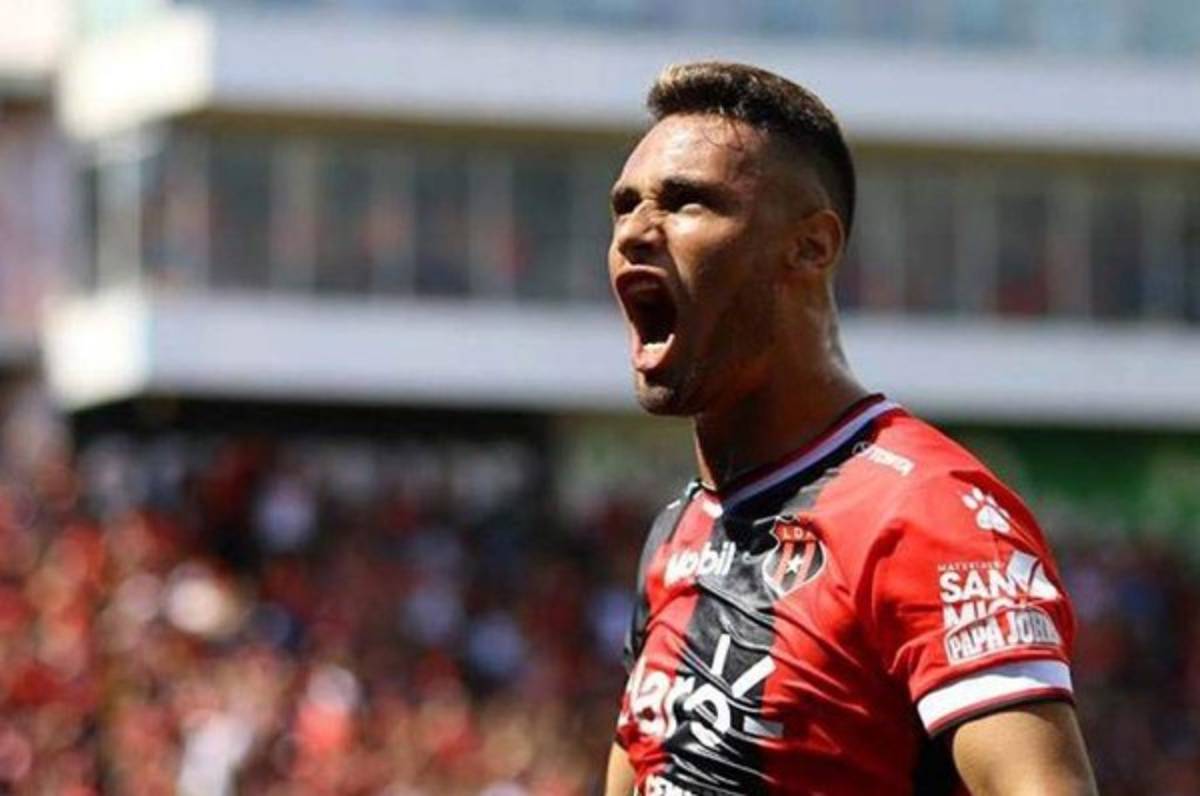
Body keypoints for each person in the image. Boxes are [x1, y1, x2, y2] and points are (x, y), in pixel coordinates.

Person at [603, 61, 1096, 796]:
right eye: (624, 206)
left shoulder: (928, 515)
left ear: (812, 246)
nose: (637, 232)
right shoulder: (680, 530)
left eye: (686, 203)